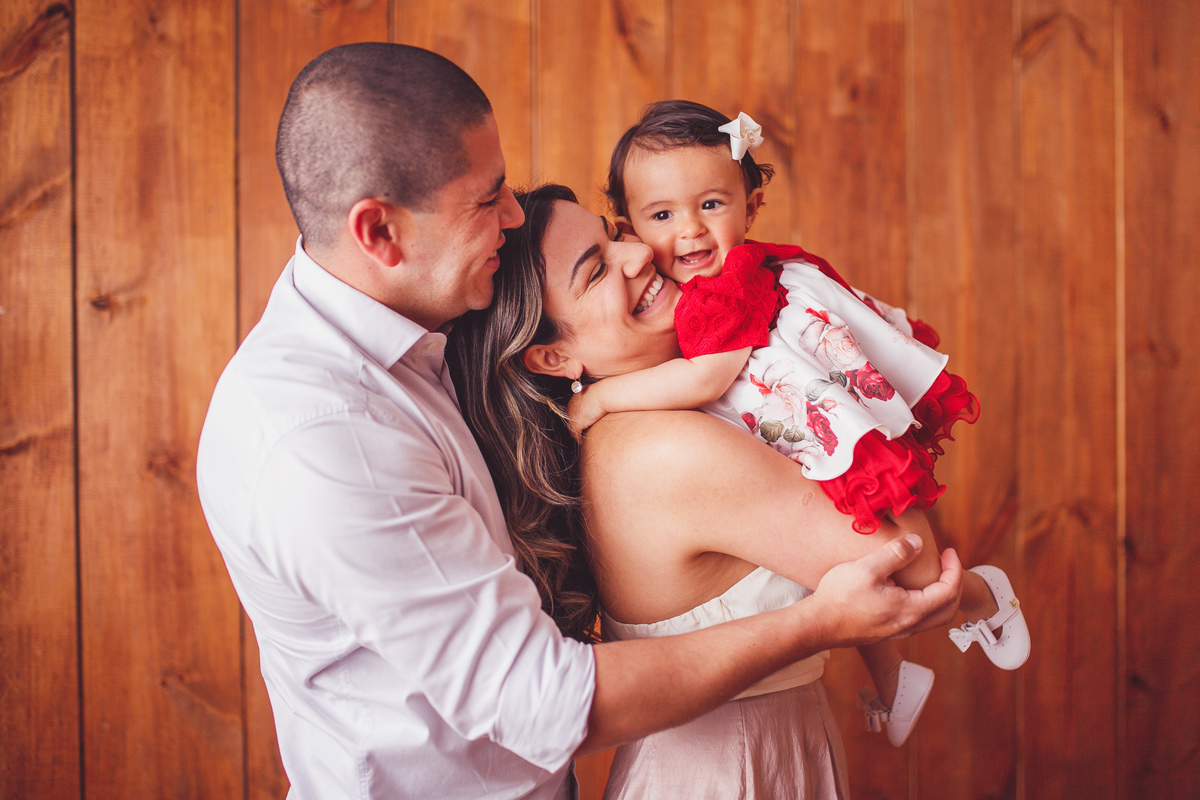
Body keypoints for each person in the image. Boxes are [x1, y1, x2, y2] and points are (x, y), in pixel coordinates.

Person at [196, 43, 962, 800]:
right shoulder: (327, 433)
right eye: (486, 199)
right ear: (379, 233)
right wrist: (822, 623)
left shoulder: (431, 353)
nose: (511, 214)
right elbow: (540, 700)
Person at [444, 182, 1013, 797]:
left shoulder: (651, 422)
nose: (639, 254)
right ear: (554, 359)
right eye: (597, 271)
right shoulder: (661, 448)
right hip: (733, 775)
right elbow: (912, 566)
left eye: (614, 235)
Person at [561, 101, 1030, 741]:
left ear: (750, 206)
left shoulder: (729, 285)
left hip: (798, 415)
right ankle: (893, 677)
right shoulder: (674, 339)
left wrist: (599, 400)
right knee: (849, 559)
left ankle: (980, 594)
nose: (691, 231)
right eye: (663, 216)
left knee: (892, 557)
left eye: (711, 205)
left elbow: (706, 379)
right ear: (633, 226)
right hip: (775, 421)